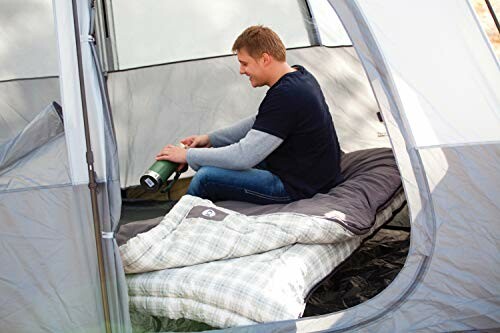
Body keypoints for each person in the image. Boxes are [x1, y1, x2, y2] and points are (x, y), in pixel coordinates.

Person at [156, 25, 343, 204]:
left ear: (265, 59)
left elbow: (243, 156)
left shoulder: (287, 94)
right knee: (216, 163)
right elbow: (261, 121)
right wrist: (210, 139)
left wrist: (187, 156)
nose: (241, 71)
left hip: (300, 186)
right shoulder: (300, 76)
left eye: (244, 64)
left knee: (206, 177)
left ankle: (176, 224)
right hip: (313, 174)